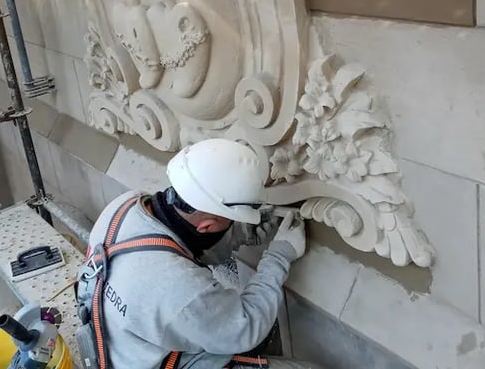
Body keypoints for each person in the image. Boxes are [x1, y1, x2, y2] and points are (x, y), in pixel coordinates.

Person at [76, 138, 323, 369]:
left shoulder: (126, 205)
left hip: (122, 346)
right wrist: (279, 256)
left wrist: (236, 234)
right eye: (230, 223)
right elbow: (245, 328)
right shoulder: (180, 291)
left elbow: (172, 250)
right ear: (206, 226)